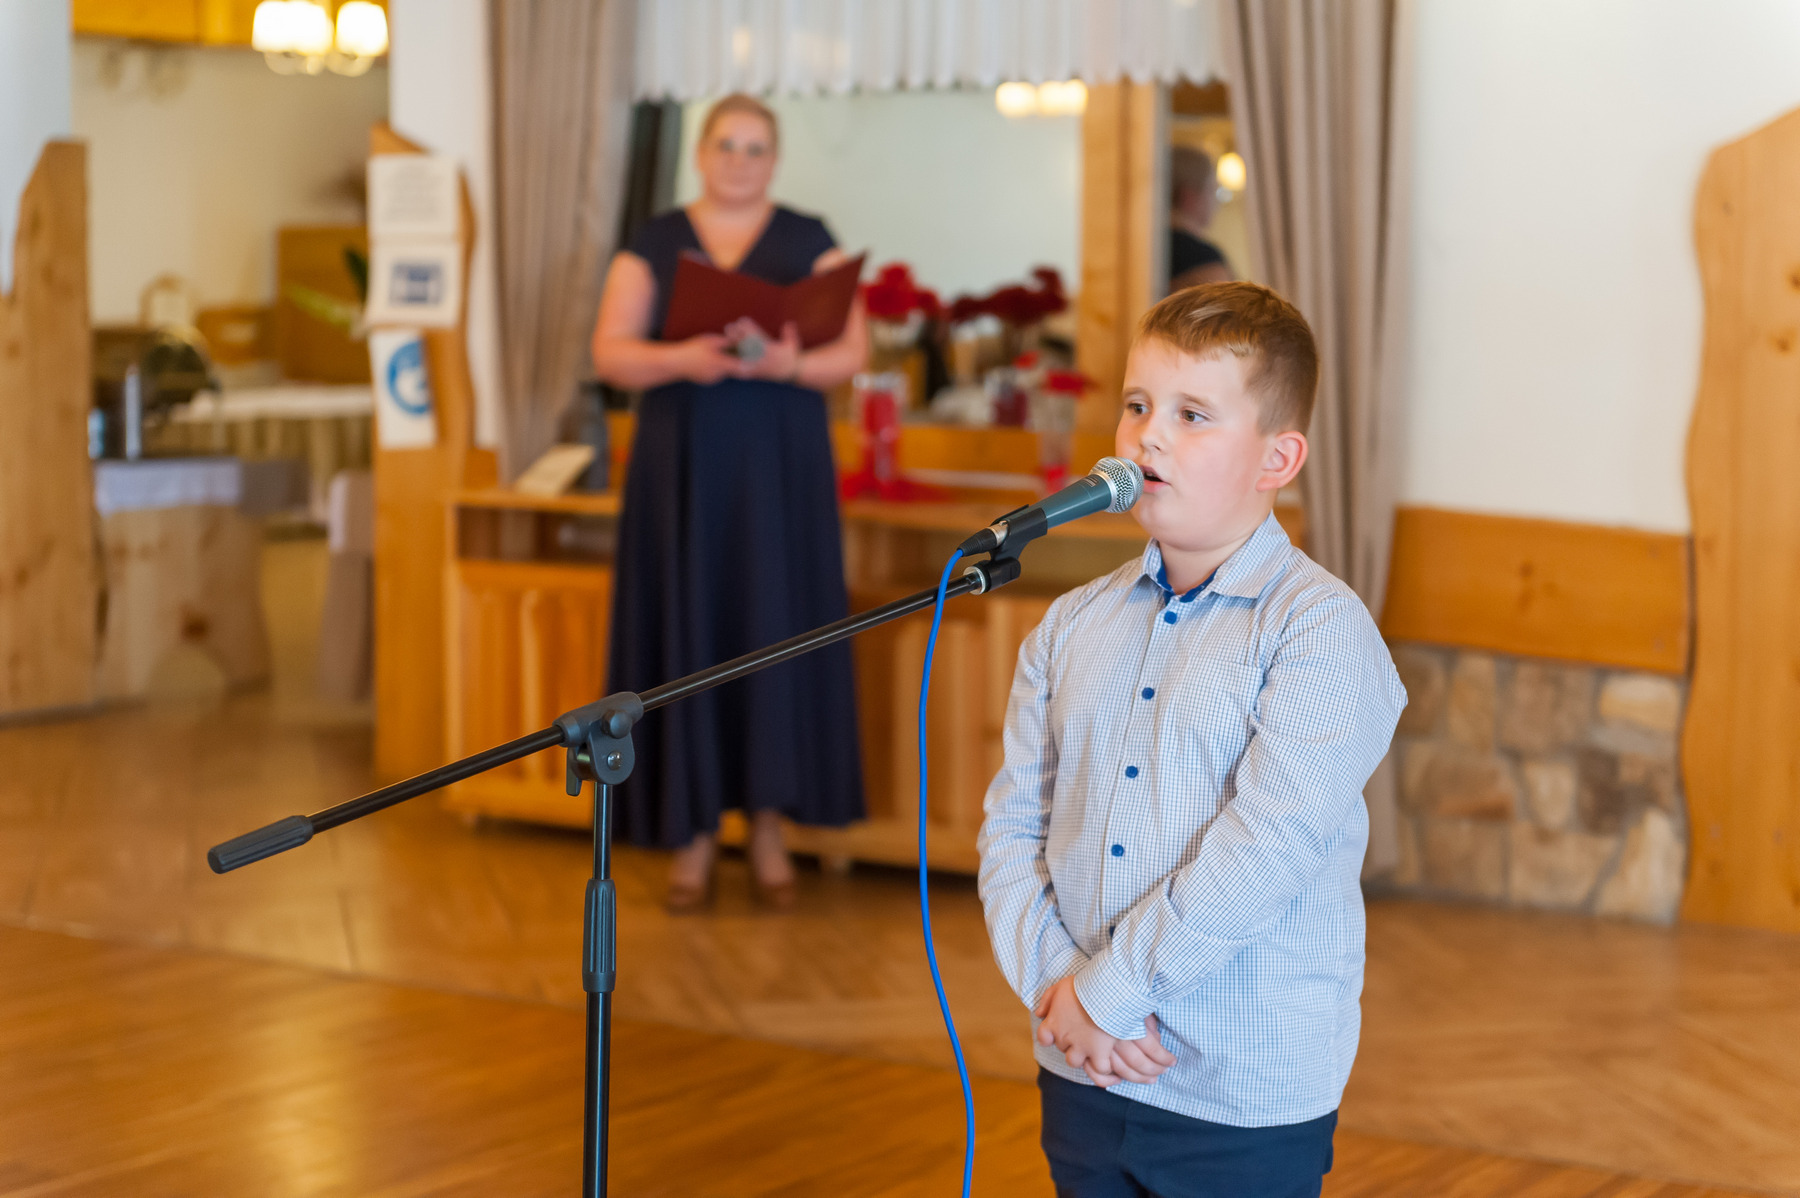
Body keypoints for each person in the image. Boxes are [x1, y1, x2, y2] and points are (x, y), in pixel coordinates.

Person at [977, 281, 1406, 1198]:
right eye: (1137, 405)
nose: (1148, 438)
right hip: (1083, 1067)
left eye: (1192, 414)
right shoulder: (1069, 625)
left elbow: (1266, 848)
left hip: (1240, 1093)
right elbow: (1013, 830)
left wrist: (1107, 994)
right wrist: (1061, 992)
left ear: (1277, 457)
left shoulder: (1317, 629)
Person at [591, 94, 869, 912]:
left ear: (773, 160)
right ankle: (693, 835)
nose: (739, 161)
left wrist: (788, 366)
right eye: (726, 145)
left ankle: (771, 829)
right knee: (689, 634)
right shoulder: (655, 238)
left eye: (755, 148)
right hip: (682, 471)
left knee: (775, 630)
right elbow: (610, 353)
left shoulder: (809, 238)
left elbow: (852, 351)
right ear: (701, 153)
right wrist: (682, 358)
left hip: (781, 473)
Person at [1168, 147, 1233, 294]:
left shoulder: (1143, 248)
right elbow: (1227, 306)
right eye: (1213, 190)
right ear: (1189, 196)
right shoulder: (1203, 259)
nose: (1217, 202)